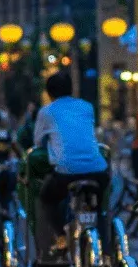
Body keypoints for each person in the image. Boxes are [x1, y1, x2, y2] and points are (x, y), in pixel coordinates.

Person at [32, 71, 110, 250]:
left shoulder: (47, 112)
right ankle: (104, 245)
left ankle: (61, 236)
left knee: (47, 198)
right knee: (99, 208)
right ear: (71, 89)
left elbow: (38, 142)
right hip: (98, 171)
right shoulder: (86, 107)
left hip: (66, 173)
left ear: (49, 93)